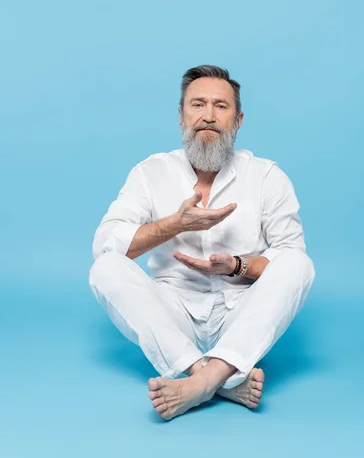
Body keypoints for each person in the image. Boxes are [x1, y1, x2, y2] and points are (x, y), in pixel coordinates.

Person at [89, 64, 316, 421]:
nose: (208, 116)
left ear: (238, 120)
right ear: (181, 116)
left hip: (241, 312)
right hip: (172, 313)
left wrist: (238, 266)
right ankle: (214, 378)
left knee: (300, 265)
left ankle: (200, 382)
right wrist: (174, 224)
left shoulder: (267, 176)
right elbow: (106, 244)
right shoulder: (150, 173)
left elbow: (289, 256)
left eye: (220, 107)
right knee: (105, 266)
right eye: (197, 105)